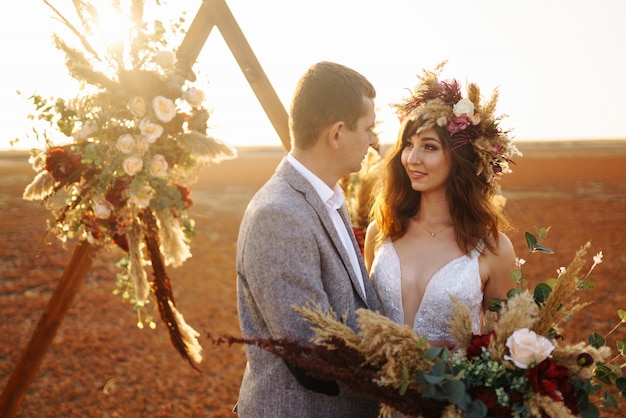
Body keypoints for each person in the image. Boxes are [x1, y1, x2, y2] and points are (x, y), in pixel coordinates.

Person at [235, 61, 382, 417]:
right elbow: (312, 350)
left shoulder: (328, 198)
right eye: (368, 128)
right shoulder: (279, 216)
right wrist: (419, 372)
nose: (374, 140)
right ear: (336, 134)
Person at [364, 62, 521, 348]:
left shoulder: (492, 248)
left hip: (451, 393)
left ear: (460, 158)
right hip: (378, 393)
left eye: (429, 146)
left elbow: (505, 349)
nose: (412, 159)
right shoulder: (382, 231)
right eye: (408, 144)